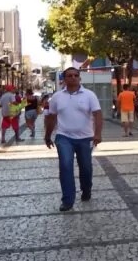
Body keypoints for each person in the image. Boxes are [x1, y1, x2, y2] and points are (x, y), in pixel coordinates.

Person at [44, 68, 103, 212]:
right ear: (64, 79)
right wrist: (47, 135)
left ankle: (86, 189)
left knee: (86, 167)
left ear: (80, 78)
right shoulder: (57, 97)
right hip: (64, 137)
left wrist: (98, 134)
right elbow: (51, 117)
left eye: (76, 75)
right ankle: (68, 200)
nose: (73, 78)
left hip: (85, 138)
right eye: (69, 76)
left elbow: (97, 114)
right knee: (65, 166)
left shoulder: (89, 95)